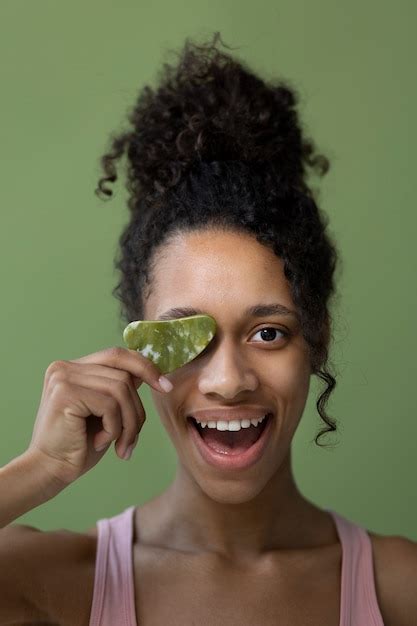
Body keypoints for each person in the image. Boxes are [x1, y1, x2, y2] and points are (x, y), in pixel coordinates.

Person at [0, 31, 416, 626]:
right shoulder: (50, 584)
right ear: (139, 351)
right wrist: (38, 471)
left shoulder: (399, 588)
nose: (228, 381)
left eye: (268, 332)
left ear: (315, 337)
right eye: (187, 337)